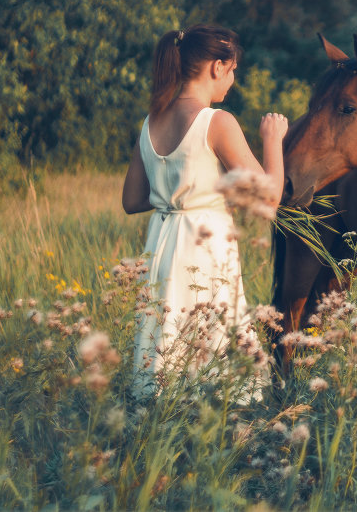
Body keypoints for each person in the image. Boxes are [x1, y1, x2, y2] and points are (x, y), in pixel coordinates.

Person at [122, 24, 287, 398]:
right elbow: (269, 199)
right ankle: (220, 426)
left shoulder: (150, 121)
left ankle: (163, 420)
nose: (231, 81)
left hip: (162, 243)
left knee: (166, 340)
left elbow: (132, 200)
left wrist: (180, 195)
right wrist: (272, 140)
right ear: (217, 67)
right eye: (232, 71)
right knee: (213, 341)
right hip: (204, 245)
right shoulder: (217, 122)